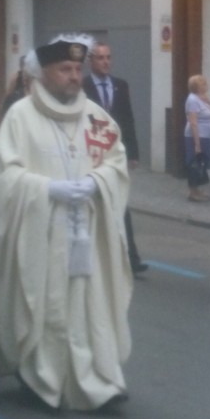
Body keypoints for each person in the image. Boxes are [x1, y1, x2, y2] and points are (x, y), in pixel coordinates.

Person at [0, 35, 133, 412]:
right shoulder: (21, 115)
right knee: (45, 305)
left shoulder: (96, 117)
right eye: (65, 69)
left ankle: (97, 381)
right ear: (43, 73)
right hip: (39, 232)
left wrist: (97, 181)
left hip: (86, 231)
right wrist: (48, 189)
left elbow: (116, 162)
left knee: (89, 309)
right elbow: (0, 180)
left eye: (77, 69)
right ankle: (41, 379)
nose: (74, 76)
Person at [83, 42, 148, 275]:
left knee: (121, 203)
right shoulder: (83, 86)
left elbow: (128, 119)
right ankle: (96, 254)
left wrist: (134, 152)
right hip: (91, 153)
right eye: (100, 58)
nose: (106, 62)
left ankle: (132, 257)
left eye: (108, 57)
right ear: (91, 61)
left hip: (116, 153)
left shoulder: (120, 85)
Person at [184, 75, 210, 202]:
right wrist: (197, 145)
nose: (206, 84)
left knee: (200, 163)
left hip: (205, 135)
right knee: (194, 163)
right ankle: (192, 192)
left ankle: (196, 189)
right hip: (197, 136)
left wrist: (209, 101)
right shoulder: (192, 100)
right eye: (203, 83)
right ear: (196, 86)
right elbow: (193, 123)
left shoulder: (201, 98)